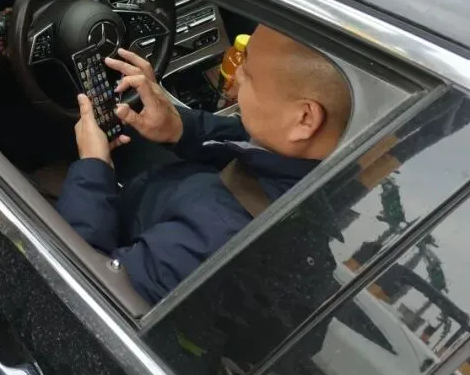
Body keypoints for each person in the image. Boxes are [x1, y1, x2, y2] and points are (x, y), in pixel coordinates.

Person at [56, 25, 352, 306]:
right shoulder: (320, 162)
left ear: (304, 119)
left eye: (248, 73)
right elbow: (241, 141)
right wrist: (178, 127)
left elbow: (80, 287)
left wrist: (93, 165)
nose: (235, 77)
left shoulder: (211, 240)